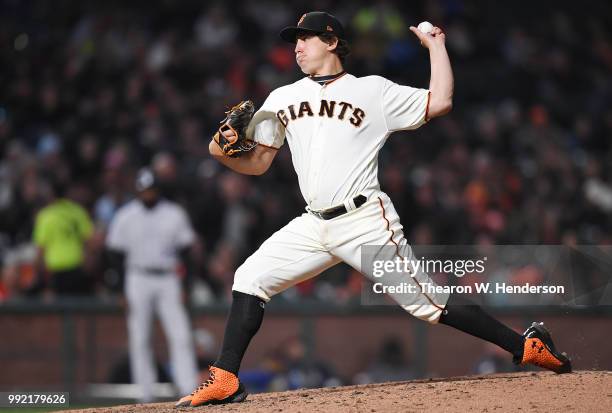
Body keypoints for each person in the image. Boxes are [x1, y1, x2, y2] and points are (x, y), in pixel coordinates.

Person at [176, 11, 572, 408]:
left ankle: (526, 346)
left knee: (427, 304)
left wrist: (436, 47)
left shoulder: (372, 90)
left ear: (332, 42)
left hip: (364, 222)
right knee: (249, 277)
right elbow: (259, 163)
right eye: (295, 39)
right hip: (313, 224)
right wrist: (219, 152)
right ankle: (225, 377)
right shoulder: (282, 97)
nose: (297, 46)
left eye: (307, 38)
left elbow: (441, 101)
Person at [106, 168, 199, 402]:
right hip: (137, 277)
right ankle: (144, 394)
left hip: (168, 277)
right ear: (138, 191)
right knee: (139, 336)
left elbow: (187, 252)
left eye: (151, 189)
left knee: (180, 334)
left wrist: (186, 285)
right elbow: (115, 255)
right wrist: (119, 289)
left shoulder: (174, 213)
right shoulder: (126, 215)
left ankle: (187, 388)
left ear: (158, 190)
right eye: (144, 190)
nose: (147, 194)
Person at [32, 180, 94, 296]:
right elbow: (89, 241)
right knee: (76, 306)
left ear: (51, 194)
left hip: (55, 269)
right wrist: (88, 267)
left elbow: (40, 249)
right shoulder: (78, 212)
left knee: (56, 310)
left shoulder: (46, 216)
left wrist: (38, 274)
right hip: (76, 266)